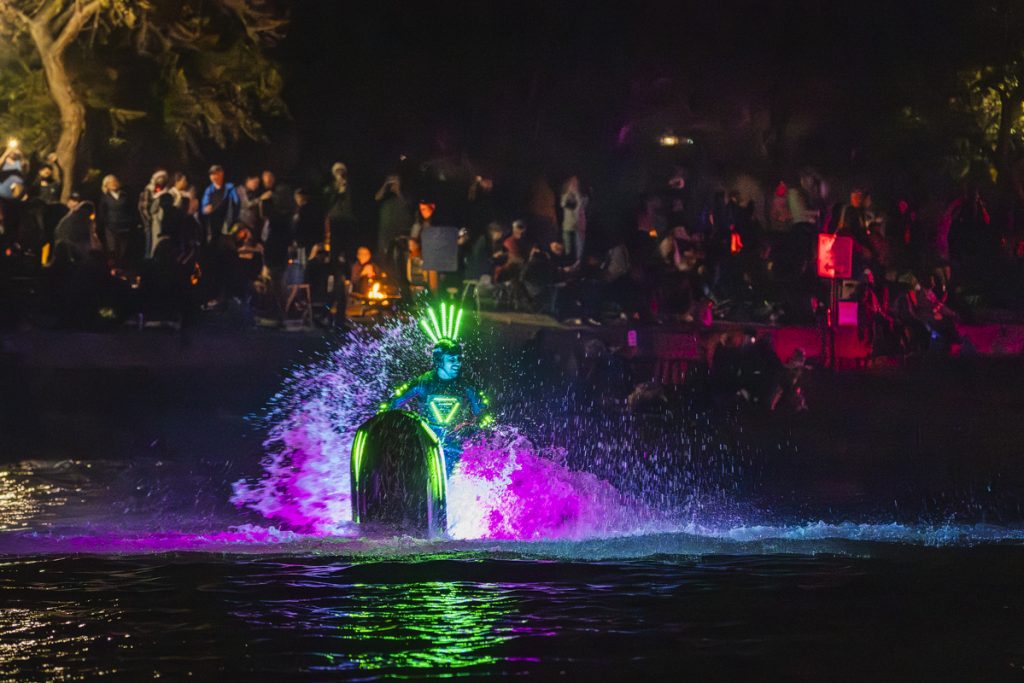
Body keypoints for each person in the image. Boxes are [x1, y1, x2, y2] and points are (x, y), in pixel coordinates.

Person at [386, 333, 490, 475]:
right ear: (439, 361)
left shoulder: (466, 386)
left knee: (446, 474)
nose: (457, 363)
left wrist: (475, 428)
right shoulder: (423, 383)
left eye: (459, 359)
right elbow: (392, 404)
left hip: (453, 444)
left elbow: (483, 415)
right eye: (451, 359)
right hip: (425, 443)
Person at [375, 174, 414, 271]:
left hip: (401, 231)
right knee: (385, 258)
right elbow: (376, 198)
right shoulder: (385, 194)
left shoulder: (405, 193)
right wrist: (385, 185)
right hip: (386, 231)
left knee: (400, 258)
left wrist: (398, 190)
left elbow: (408, 205)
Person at [97, 174, 137, 267]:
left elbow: (130, 210)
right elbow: (102, 213)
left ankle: (122, 268)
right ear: (106, 185)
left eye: (115, 181)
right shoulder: (105, 198)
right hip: (111, 227)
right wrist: (104, 224)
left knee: (123, 250)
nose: (114, 184)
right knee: (113, 249)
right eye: (110, 182)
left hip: (125, 226)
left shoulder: (124, 196)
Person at [200, 164, 240, 241]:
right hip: (213, 223)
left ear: (222, 174)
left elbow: (237, 202)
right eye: (211, 174)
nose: (214, 177)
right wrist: (205, 210)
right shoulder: (208, 190)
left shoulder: (230, 188)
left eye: (216, 174)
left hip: (228, 222)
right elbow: (204, 207)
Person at [139, 169, 170, 258]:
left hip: (162, 222)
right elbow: (144, 207)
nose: (161, 180)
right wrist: (148, 220)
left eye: (163, 178)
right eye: (159, 178)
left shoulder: (166, 190)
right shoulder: (149, 190)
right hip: (151, 221)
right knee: (150, 243)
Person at [560, 176, 587, 261]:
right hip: (567, 227)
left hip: (577, 227)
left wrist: (576, 194)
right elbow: (563, 204)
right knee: (568, 252)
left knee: (579, 253)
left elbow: (579, 208)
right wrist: (569, 193)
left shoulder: (582, 197)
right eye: (572, 183)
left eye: (575, 183)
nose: (573, 185)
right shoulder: (565, 195)